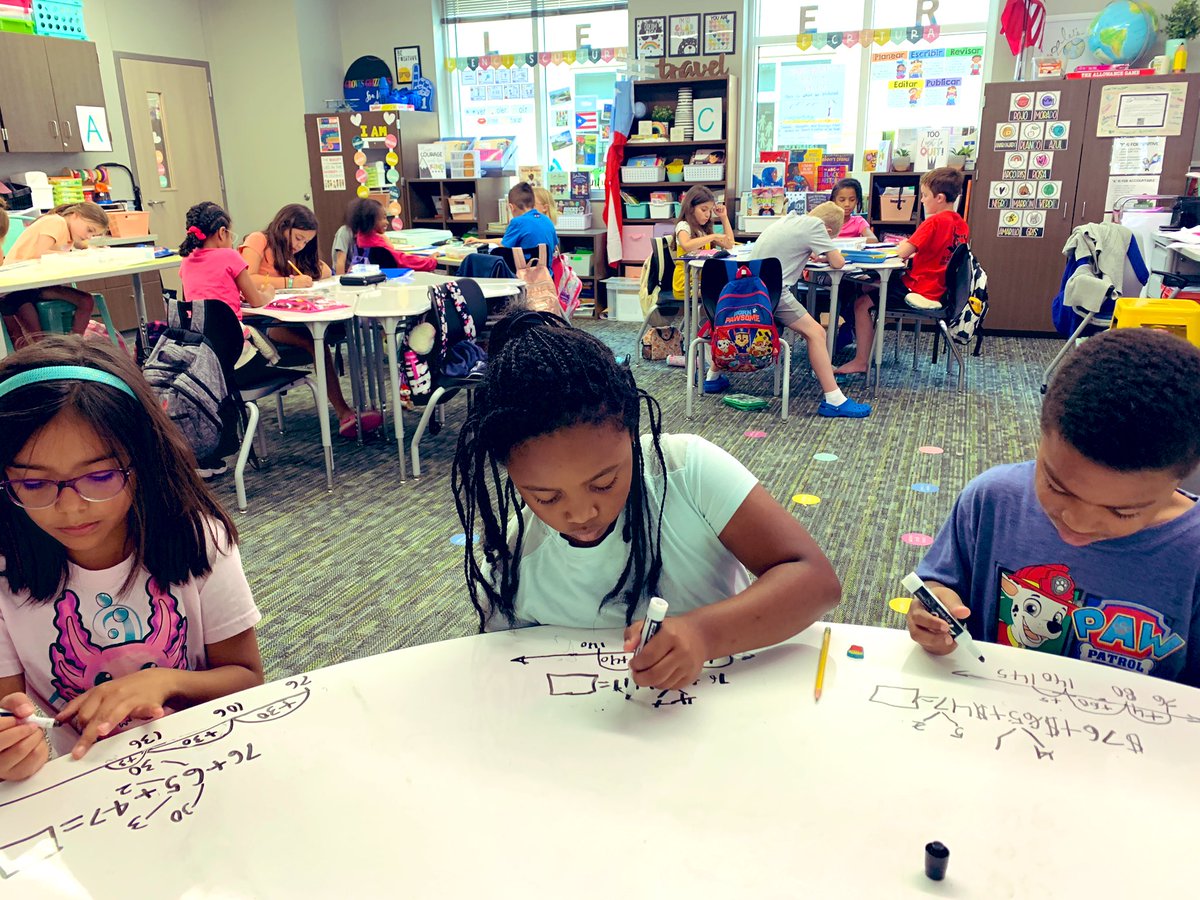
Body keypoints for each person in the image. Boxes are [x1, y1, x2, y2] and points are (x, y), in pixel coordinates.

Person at [452, 312, 841, 690]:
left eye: (604, 482)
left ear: (631, 432)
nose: (582, 513)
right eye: (546, 497)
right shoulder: (516, 565)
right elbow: (503, 676)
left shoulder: (686, 472)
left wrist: (704, 634)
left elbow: (816, 581)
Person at [0, 337, 265, 779]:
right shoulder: (7, 571)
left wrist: (166, 680)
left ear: (142, 461)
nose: (71, 508)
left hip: (211, 761)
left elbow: (247, 679)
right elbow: (9, 712)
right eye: (33, 485)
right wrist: (12, 750)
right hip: (88, 784)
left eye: (101, 476)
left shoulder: (198, 539)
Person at [907, 329, 1200, 686]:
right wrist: (935, 608)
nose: (1076, 524)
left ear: (1180, 480)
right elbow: (941, 584)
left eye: (1122, 511)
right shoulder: (993, 501)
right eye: (1057, 487)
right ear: (1041, 436)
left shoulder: (1192, 551)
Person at [715, 202, 871, 418]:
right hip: (771, 293)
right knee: (816, 333)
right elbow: (838, 262)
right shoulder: (817, 226)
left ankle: (711, 379)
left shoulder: (788, 219)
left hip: (747, 291)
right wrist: (828, 251)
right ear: (826, 232)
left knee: (738, 328)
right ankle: (834, 399)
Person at [239, 204, 380, 438]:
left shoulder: (293, 252)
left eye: (305, 241)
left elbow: (323, 272)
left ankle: (356, 410)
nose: (299, 245)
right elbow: (248, 279)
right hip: (262, 323)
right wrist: (291, 283)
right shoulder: (258, 240)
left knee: (335, 329)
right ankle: (344, 413)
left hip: (290, 316)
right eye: (298, 238)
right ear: (283, 226)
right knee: (315, 341)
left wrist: (308, 266)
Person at [835, 167, 968, 376]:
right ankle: (857, 339)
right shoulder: (961, 224)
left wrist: (903, 246)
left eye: (924, 196)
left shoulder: (933, 221)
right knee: (867, 286)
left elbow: (902, 253)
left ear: (940, 198)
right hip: (941, 289)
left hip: (919, 288)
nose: (922, 201)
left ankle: (861, 361)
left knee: (861, 303)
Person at [1, 202, 109, 349]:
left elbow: (80, 245)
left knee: (86, 301)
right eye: (89, 230)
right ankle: (66, 350)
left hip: (35, 286)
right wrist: (78, 257)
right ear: (75, 215)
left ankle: (74, 347)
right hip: (18, 286)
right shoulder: (56, 221)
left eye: (93, 235)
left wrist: (92, 249)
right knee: (37, 339)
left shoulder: (69, 235)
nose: (87, 236)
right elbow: (39, 255)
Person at [179, 201, 275, 325]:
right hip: (227, 334)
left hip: (198, 333)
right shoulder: (230, 256)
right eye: (231, 236)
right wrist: (268, 293)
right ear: (222, 233)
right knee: (265, 343)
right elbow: (256, 301)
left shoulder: (187, 259)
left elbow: (192, 299)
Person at [672, 185, 734, 299]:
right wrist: (713, 237)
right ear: (691, 208)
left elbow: (729, 244)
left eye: (710, 211)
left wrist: (724, 218)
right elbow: (686, 245)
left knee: (728, 288)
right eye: (704, 209)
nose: (708, 214)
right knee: (724, 293)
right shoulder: (683, 226)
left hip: (700, 283)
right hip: (685, 286)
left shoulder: (703, 230)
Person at [345, 198, 436, 271]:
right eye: (383, 218)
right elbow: (403, 260)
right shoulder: (378, 247)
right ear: (371, 221)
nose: (387, 222)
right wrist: (430, 261)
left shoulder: (359, 240)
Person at [465, 182, 558, 254]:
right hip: (546, 274)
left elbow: (504, 246)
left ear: (511, 207)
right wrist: (479, 240)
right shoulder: (547, 221)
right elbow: (506, 240)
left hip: (522, 275)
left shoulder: (517, 222)